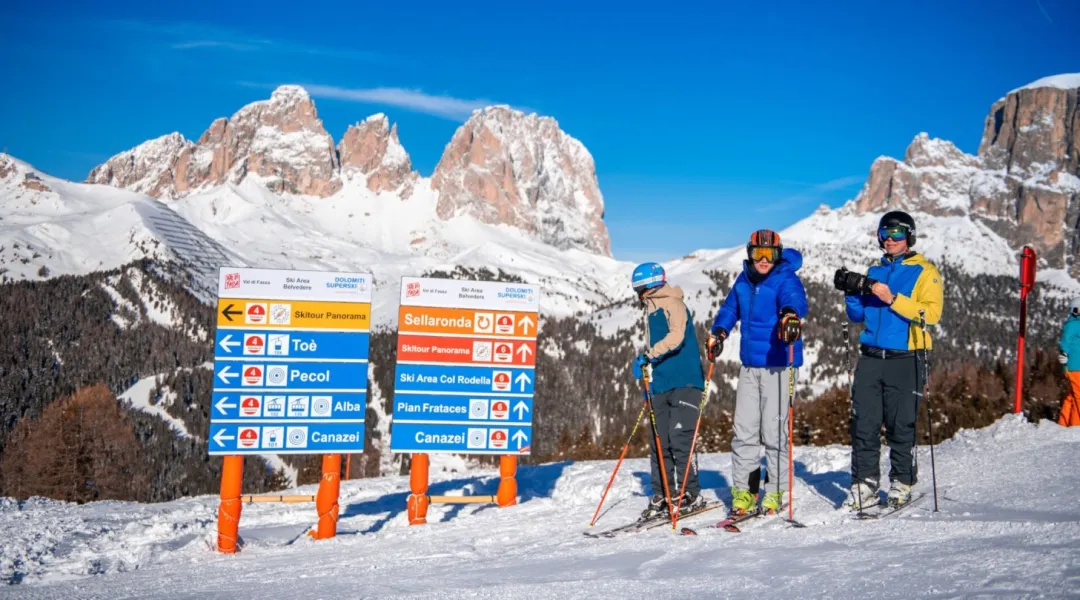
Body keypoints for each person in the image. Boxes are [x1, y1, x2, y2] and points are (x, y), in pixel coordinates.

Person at [842, 210, 943, 509]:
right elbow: (857, 316)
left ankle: (902, 481)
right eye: (885, 233)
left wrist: (893, 298)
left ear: (909, 236)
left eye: (897, 233)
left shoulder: (925, 272)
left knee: (901, 423)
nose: (889, 239)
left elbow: (931, 314)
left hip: (906, 357)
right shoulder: (874, 272)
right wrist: (851, 294)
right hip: (871, 356)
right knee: (864, 423)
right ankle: (865, 484)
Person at [706, 229, 808, 516]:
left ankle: (774, 491)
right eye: (758, 254)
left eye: (770, 255)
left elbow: (796, 300)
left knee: (775, 432)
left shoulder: (785, 278)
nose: (763, 260)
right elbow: (730, 308)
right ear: (750, 254)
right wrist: (719, 331)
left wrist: (790, 315)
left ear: (778, 256)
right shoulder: (744, 279)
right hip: (750, 366)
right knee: (744, 431)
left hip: (779, 365)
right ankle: (744, 491)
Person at [631, 262, 707, 519]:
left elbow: (676, 338)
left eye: (638, 290)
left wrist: (648, 356)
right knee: (659, 441)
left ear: (647, 287)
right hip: (661, 385)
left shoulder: (673, 303)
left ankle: (691, 494)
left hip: (686, 383)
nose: (638, 296)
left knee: (680, 439)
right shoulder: (651, 312)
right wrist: (649, 380)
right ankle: (664, 493)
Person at [1056, 298, 1080, 427]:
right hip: (1076, 366)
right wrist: (1064, 354)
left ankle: (1064, 424)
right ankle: (1076, 427)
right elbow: (1066, 342)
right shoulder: (1073, 324)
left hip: (1076, 365)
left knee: (1072, 396)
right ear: (1075, 310)